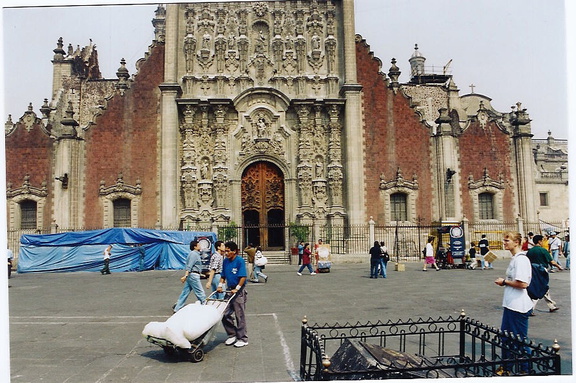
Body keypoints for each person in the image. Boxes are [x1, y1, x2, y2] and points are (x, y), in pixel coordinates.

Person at [494, 231, 532, 376]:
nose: (504, 243)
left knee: (519, 339)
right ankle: (507, 367)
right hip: (510, 304)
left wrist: (504, 282)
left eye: (507, 240)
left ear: (516, 242)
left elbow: (523, 284)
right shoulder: (515, 259)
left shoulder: (521, 260)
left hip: (518, 306)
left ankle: (525, 368)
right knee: (506, 338)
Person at [216, 241, 248, 348]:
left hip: (238, 291)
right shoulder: (225, 261)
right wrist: (220, 285)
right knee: (224, 313)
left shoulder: (240, 261)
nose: (226, 253)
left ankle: (243, 338)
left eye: (228, 251)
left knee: (239, 315)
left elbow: (243, 277)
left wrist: (237, 288)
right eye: (225, 251)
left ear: (234, 251)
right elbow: (223, 275)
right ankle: (232, 334)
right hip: (229, 290)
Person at [526, 234, 563, 315]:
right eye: (542, 240)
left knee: (543, 288)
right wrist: (558, 266)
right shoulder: (543, 250)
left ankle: (551, 306)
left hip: (532, 271)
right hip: (541, 271)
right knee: (540, 288)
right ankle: (530, 309)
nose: (543, 242)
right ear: (539, 241)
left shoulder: (530, 251)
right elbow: (552, 261)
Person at [173, 240, 206, 312]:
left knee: (185, 292)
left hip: (192, 275)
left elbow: (194, 266)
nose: (200, 246)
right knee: (200, 292)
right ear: (195, 246)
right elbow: (189, 266)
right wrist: (185, 275)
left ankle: (177, 307)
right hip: (193, 275)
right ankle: (204, 305)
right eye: (198, 245)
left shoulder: (195, 254)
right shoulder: (194, 254)